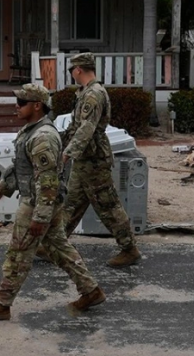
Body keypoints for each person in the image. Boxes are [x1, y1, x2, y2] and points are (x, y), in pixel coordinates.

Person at [0, 83, 105, 320]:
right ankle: (91, 290)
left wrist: (40, 217)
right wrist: (1, 189)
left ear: (37, 105)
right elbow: (21, 167)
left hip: (37, 203)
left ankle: (1, 304)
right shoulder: (31, 130)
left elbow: (48, 181)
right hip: (42, 202)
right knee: (59, 249)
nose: (17, 107)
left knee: (18, 254)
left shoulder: (42, 136)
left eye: (21, 103)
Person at [58, 53, 142, 268]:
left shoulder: (93, 94)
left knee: (108, 205)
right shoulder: (86, 92)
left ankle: (129, 248)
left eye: (71, 70)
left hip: (94, 159)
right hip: (85, 158)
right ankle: (55, 244)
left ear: (78, 70)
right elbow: (76, 127)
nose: (71, 74)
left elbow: (86, 129)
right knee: (72, 203)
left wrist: (69, 151)